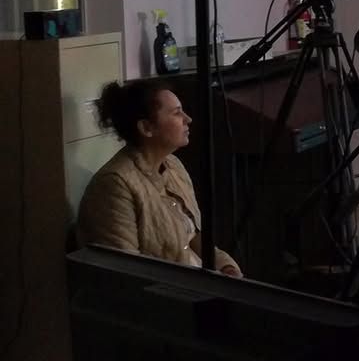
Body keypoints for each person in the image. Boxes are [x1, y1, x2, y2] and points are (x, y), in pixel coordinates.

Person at [76, 79, 241, 276]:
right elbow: (125, 273)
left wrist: (226, 267)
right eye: (176, 113)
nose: (188, 119)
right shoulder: (114, 184)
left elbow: (194, 236)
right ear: (147, 127)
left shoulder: (173, 165)